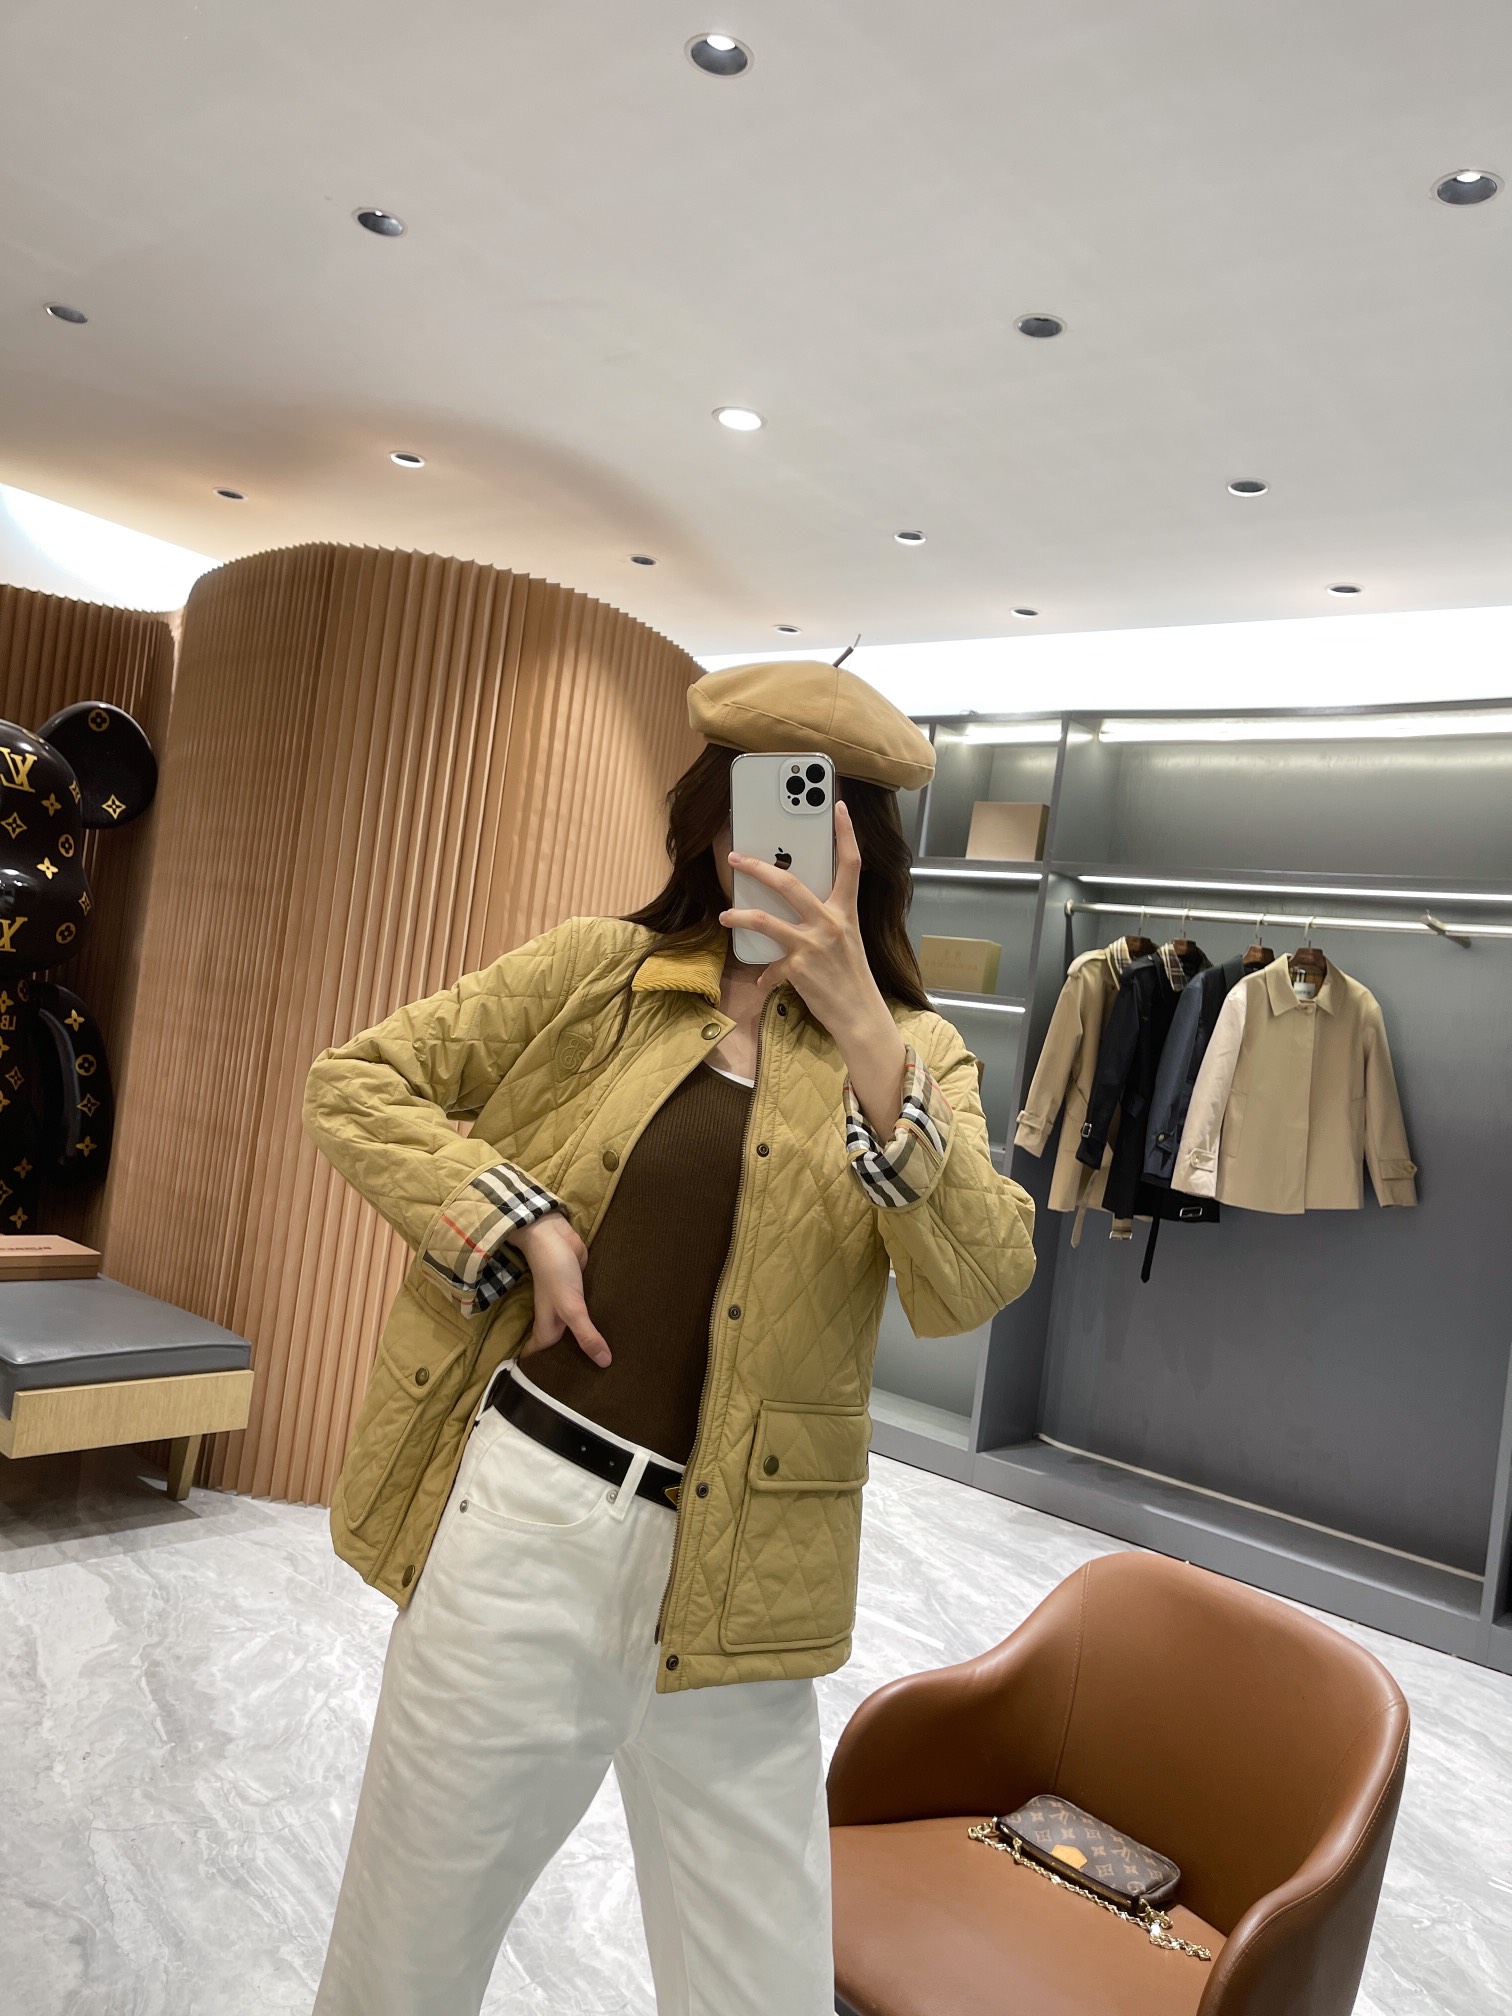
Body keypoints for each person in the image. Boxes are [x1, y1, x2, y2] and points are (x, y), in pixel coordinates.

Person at [301, 658, 1037, 2016]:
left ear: (868, 850)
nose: (780, 847)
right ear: (709, 820)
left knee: (759, 1986)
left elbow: (981, 1276)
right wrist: (517, 1214)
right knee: (406, 1959)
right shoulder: (600, 974)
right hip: (528, 1527)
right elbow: (355, 1082)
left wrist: (865, 1031)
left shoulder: (919, 1053)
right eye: (757, 808)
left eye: (822, 819)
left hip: (750, 1576)